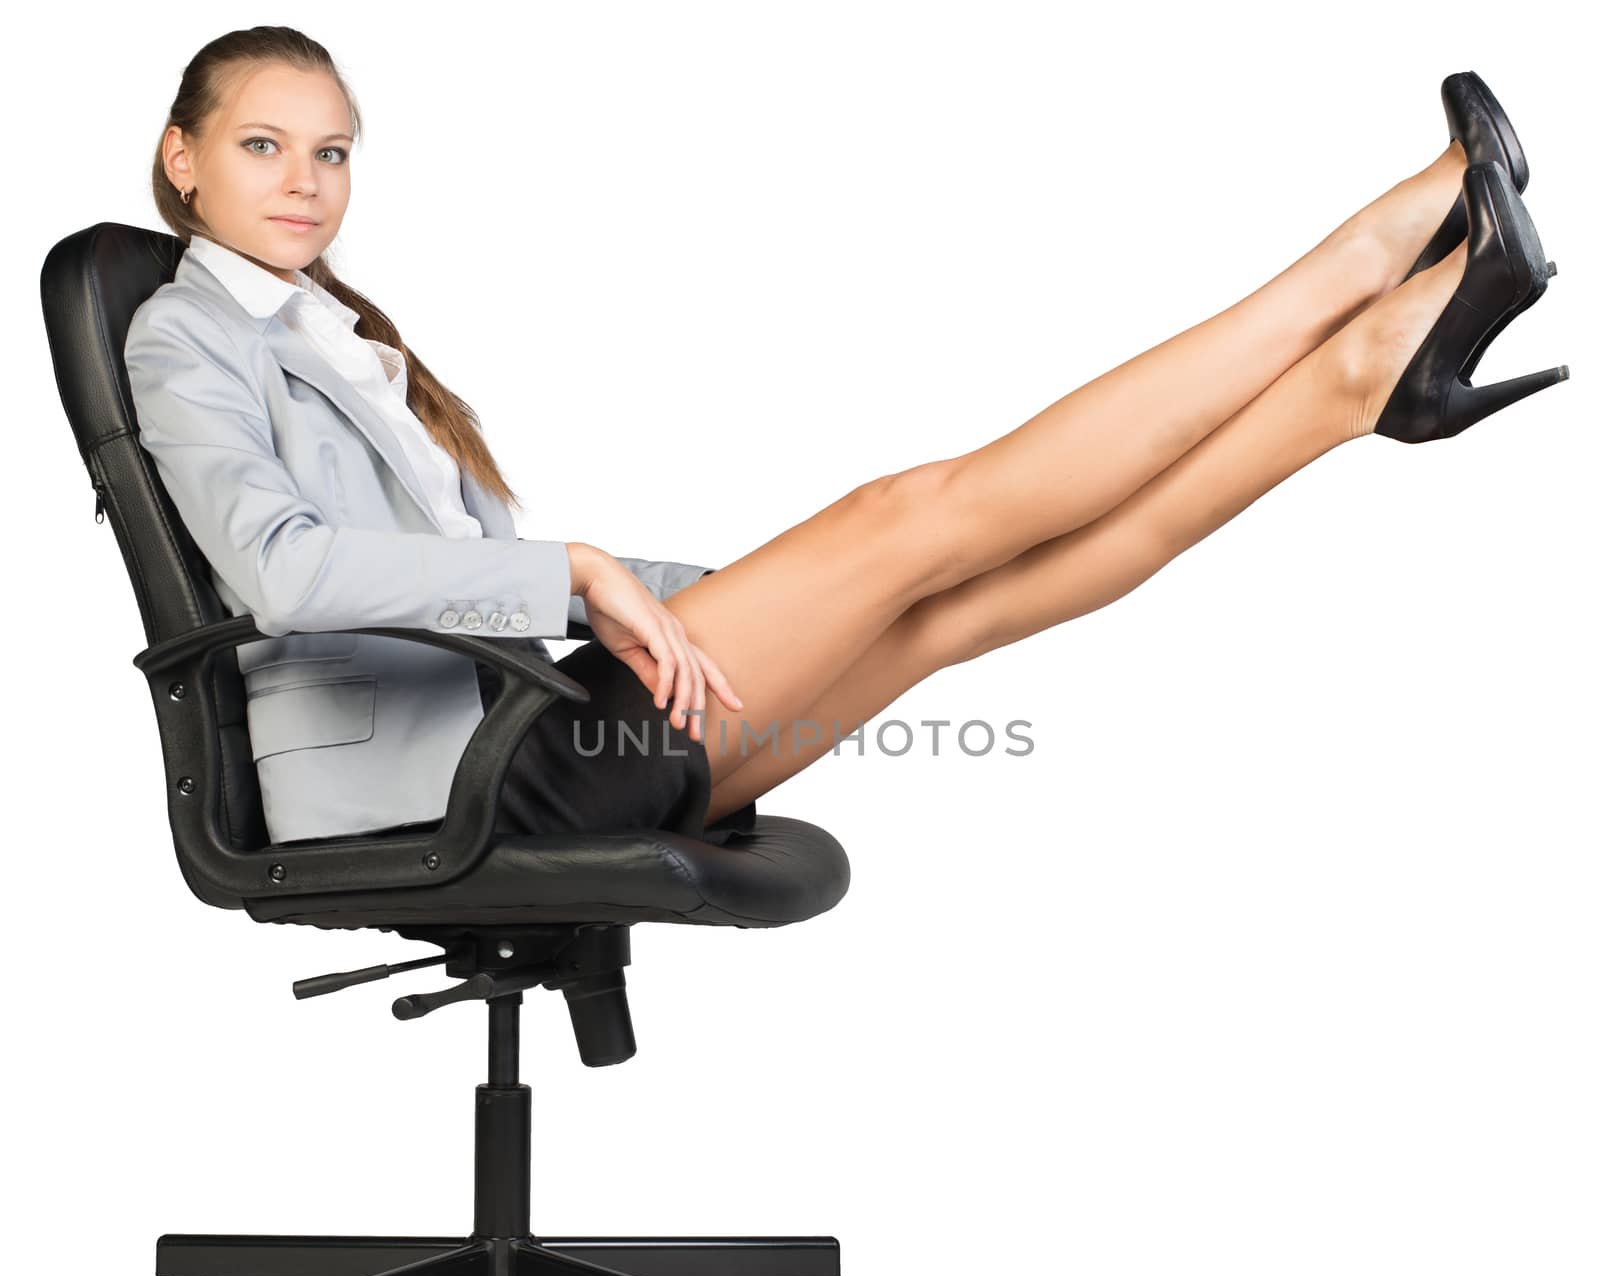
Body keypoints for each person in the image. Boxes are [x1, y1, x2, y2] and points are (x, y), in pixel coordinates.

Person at [124, 27, 1569, 851]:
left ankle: (1366, 376)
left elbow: (474, 573)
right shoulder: (184, 335)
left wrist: (679, 581)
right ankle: (1384, 250)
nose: (306, 183)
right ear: (185, 159)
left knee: (946, 605)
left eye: (331, 151)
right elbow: (286, 578)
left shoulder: (342, 331)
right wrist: (577, 571)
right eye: (263, 146)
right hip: (453, 779)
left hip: (516, 726)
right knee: (917, 516)